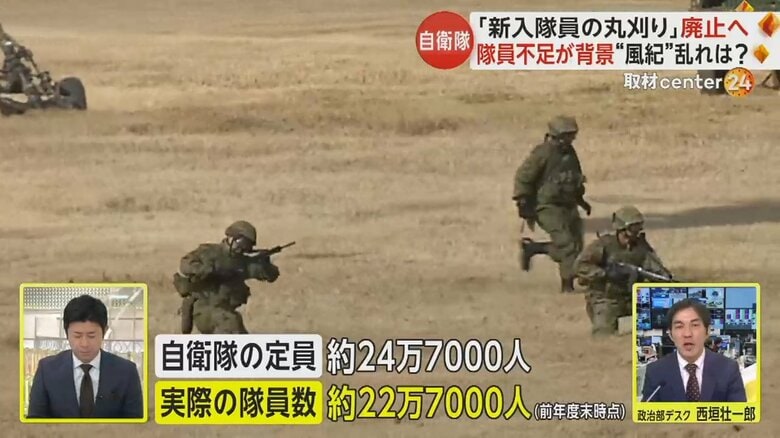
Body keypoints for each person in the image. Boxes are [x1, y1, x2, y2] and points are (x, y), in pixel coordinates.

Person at [26, 295, 144, 418]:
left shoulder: (126, 372)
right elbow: (35, 421)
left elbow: (136, 424)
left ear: (104, 331)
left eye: (91, 336)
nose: (84, 344)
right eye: (77, 336)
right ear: (66, 333)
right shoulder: (47, 370)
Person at [512, 115, 591, 293]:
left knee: (577, 245)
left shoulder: (570, 153)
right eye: (567, 135)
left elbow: (574, 176)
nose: (571, 139)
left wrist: (581, 199)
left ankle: (534, 248)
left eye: (572, 135)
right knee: (566, 244)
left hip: (568, 204)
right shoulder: (543, 153)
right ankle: (567, 285)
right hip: (547, 206)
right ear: (556, 135)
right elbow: (524, 176)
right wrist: (523, 201)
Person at [574, 205, 672, 337]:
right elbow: (580, 266)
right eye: (633, 227)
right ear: (622, 227)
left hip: (633, 297)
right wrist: (605, 273)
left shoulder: (641, 247)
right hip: (607, 299)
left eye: (639, 226)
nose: (637, 231)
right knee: (604, 334)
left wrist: (667, 282)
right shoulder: (604, 245)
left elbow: (656, 271)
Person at [173, 220, 280, 334]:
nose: (242, 248)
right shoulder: (210, 252)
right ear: (231, 238)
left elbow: (271, 275)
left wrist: (265, 263)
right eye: (241, 243)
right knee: (230, 324)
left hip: (226, 311)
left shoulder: (240, 262)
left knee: (240, 333)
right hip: (204, 309)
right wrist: (211, 270)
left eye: (247, 245)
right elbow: (185, 265)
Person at [641, 299, 747, 402]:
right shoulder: (655, 372)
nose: (687, 334)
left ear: (707, 331)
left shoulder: (728, 369)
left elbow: (739, 412)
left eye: (695, 325)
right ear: (671, 335)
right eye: (679, 326)